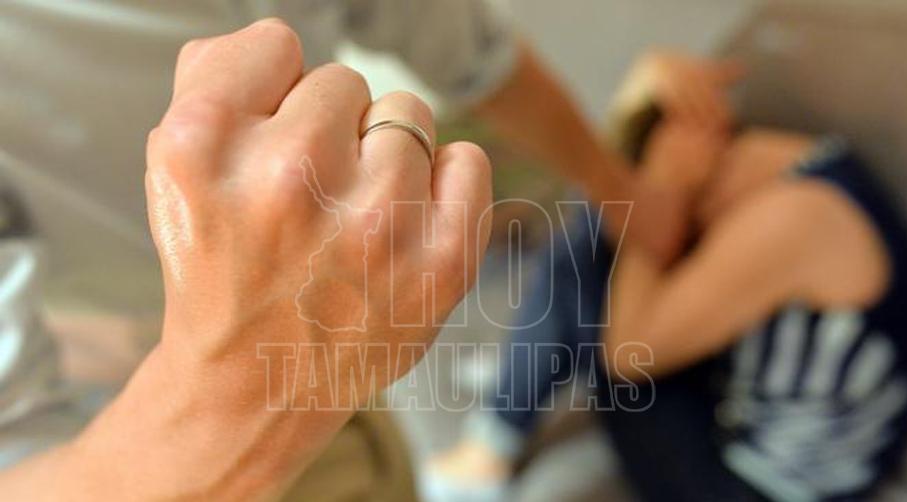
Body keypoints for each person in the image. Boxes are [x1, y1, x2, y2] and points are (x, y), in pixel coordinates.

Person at [0, 1, 656, 498]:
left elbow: (474, 52)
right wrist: (235, 394)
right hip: (117, 421)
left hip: (333, 361)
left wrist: (620, 190)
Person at [428, 51, 907, 501]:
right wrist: (639, 110)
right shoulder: (786, 170)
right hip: (738, 407)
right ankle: (514, 400)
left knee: (593, 245)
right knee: (606, 224)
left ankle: (491, 443)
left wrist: (664, 186)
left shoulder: (793, 221)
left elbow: (628, 355)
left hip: (755, 486)